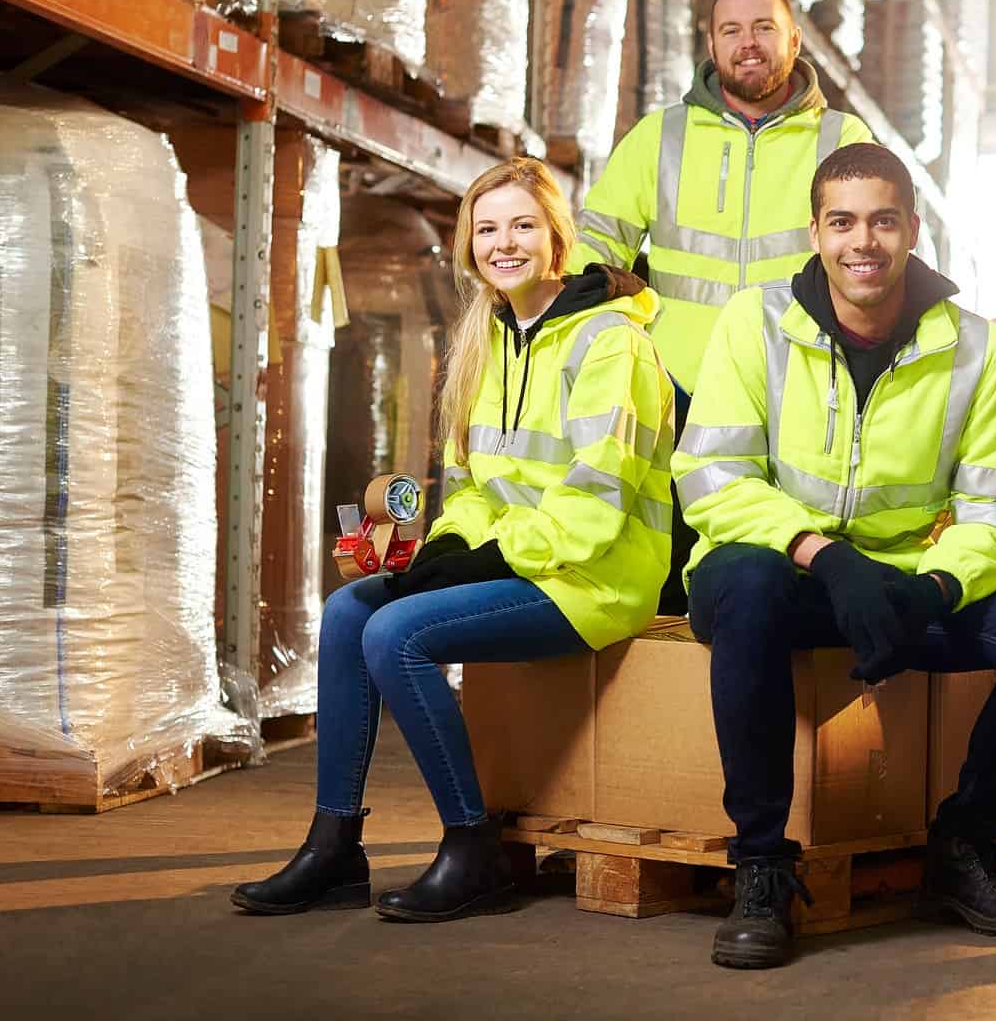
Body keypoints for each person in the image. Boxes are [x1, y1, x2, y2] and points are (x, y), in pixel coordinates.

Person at [674, 143, 996, 969]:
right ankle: (760, 865)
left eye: (881, 221)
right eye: (842, 222)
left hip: (901, 587)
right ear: (816, 232)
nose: (862, 241)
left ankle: (960, 848)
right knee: (750, 582)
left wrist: (934, 588)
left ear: (911, 229)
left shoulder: (976, 348)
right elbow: (712, 476)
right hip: (774, 573)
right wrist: (821, 555)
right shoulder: (754, 323)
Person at [234, 158, 675, 923]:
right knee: (350, 611)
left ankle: (473, 848)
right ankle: (334, 842)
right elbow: (470, 485)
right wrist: (445, 550)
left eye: (522, 225)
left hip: (595, 575)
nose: (503, 243)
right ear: (470, 243)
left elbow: (597, 501)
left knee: (399, 633)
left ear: (557, 239)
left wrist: (488, 559)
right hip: (517, 561)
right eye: (487, 227)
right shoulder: (487, 338)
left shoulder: (610, 344)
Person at [574, 0, 874, 614]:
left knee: (770, 565)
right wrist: (616, 323)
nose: (749, 43)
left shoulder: (841, 141)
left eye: (765, 28)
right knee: (669, 568)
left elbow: (877, 257)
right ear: (711, 44)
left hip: (795, 387)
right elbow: (592, 242)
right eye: (732, 30)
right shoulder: (663, 137)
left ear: (793, 39)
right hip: (676, 390)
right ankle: (664, 706)